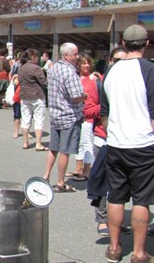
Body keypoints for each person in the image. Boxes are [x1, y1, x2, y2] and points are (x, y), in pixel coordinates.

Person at [101, 24, 154, 263]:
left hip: (116, 142)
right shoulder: (149, 70)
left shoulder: (110, 72)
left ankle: (114, 248)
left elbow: (104, 111)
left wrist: (112, 132)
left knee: (116, 196)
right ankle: (139, 253)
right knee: (141, 199)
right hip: (142, 143)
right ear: (146, 44)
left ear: (123, 44)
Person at [86, 46, 127, 237]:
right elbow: (88, 110)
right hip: (103, 138)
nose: (121, 65)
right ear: (110, 62)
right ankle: (102, 220)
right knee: (102, 180)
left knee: (122, 184)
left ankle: (117, 221)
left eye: (124, 61)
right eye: (117, 61)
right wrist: (106, 110)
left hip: (126, 141)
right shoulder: (100, 83)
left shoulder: (134, 84)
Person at [43, 42, 87, 193]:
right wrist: (85, 95)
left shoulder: (53, 68)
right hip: (69, 115)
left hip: (55, 114)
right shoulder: (70, 72)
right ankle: (60, 182)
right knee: (65, 150)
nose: (77, 56)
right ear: (66, 55)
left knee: (53, 148)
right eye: (75, 54)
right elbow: (76, 96)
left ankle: (46, 176)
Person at [66, 54, 97, 181]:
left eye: (88, 63)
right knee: (78, 142)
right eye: (84, 63)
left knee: (86, 142)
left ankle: (87, 170)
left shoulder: (93, 78)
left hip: (88, 115)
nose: (86, 65)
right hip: (77, 115)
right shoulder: (76, 78)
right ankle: (78, 168)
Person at [17, 48, 48, 151]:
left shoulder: (21, 68)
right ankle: (38, 144)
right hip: (37, 95)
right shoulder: (36, 68)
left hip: (24, 95)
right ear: (33, 57)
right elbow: (44, 82)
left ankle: (25, 142)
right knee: (39, 119)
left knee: (25, 119)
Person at [12, 74, 22, 139]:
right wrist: (14, 78)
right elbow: (13, 82)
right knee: (17, 115)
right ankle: (16, 131)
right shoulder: (17, 76)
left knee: (27, 116)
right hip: (17, 98)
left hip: (26, 97)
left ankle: (27, 132)